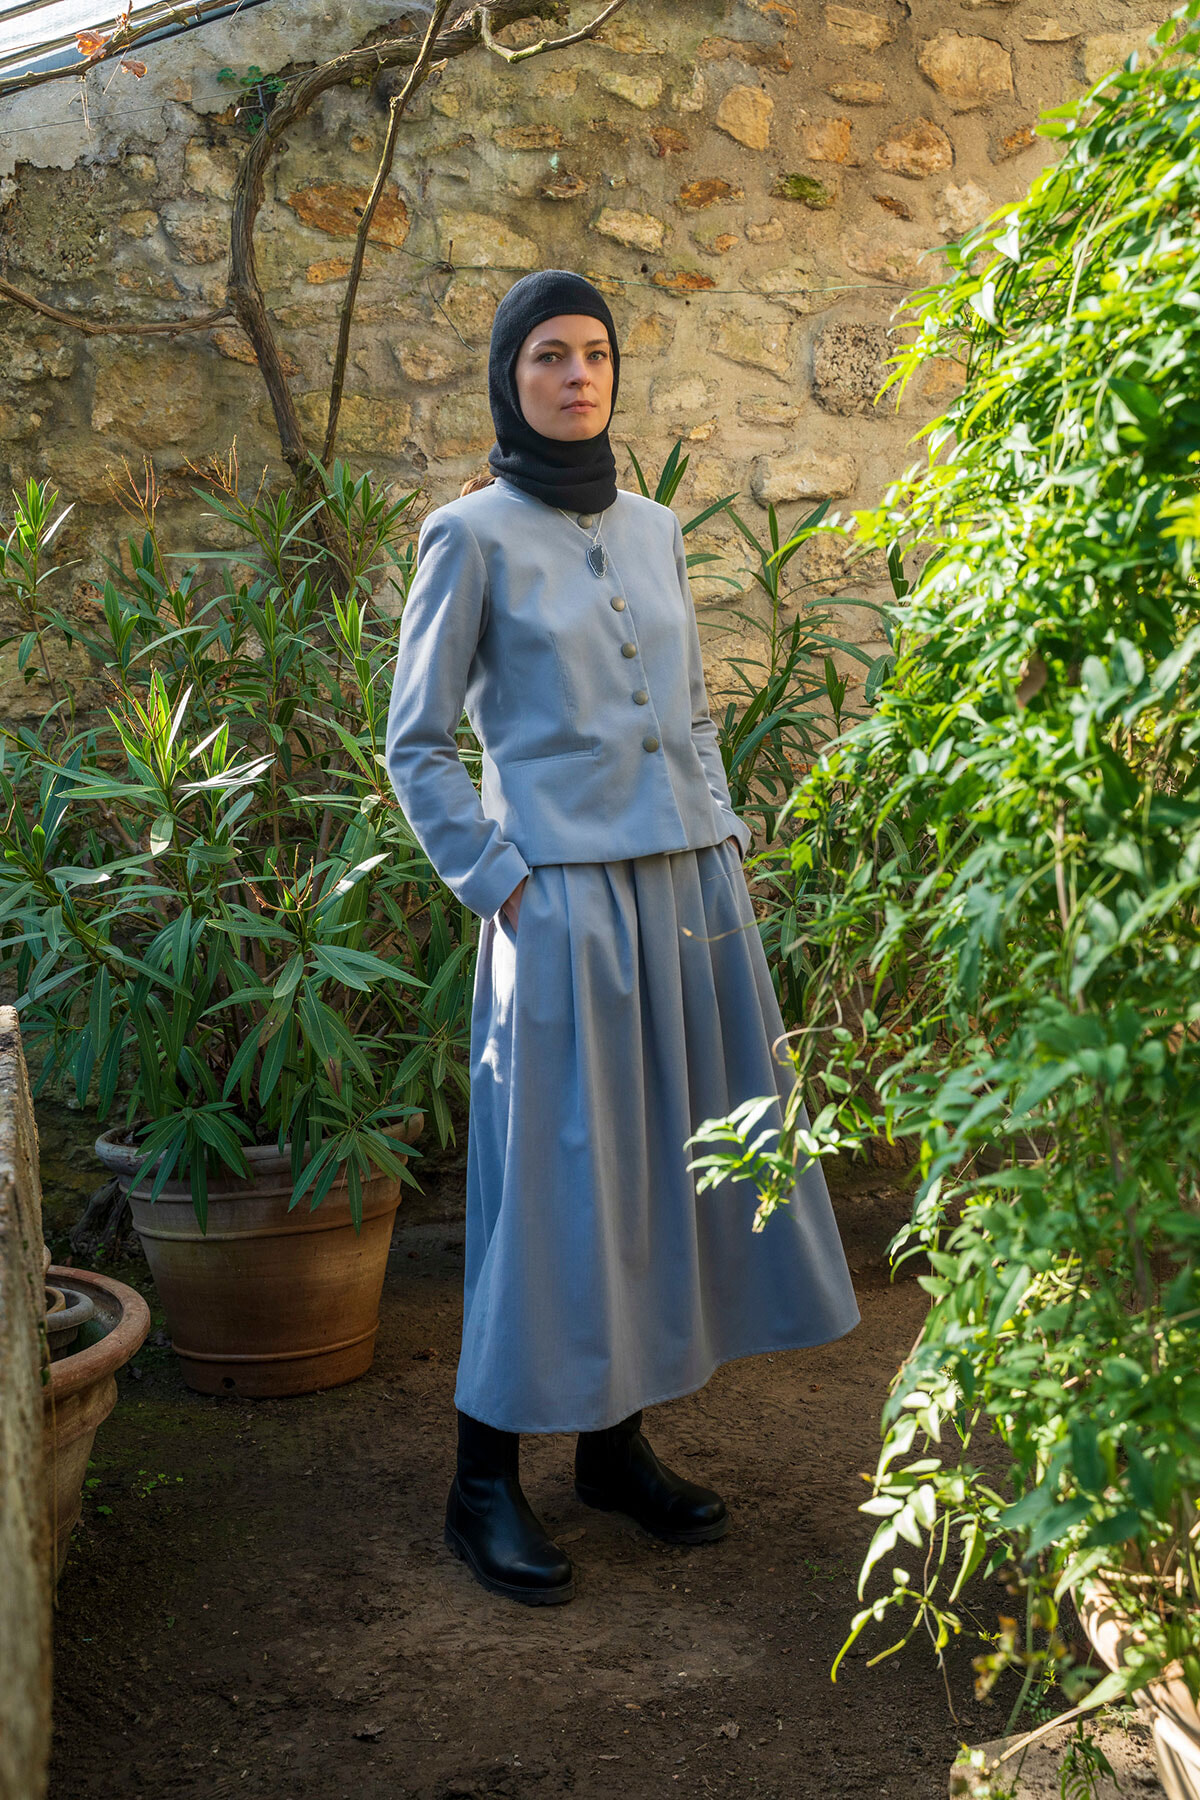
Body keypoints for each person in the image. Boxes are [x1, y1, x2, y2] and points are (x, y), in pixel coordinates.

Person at [385, 269, 859, 1607]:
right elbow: (417, 744)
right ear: (510, 377)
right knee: (550, 1187)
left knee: (665, 1168)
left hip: (689, 894)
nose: (577, 376)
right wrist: (502, 884)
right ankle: (482, 1483)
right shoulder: (468, 536)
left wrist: (722, 844)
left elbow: (692, 708)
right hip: (560, 906)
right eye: (549, 355)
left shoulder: (651, 529)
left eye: (594, 353)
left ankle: (612, 1449)